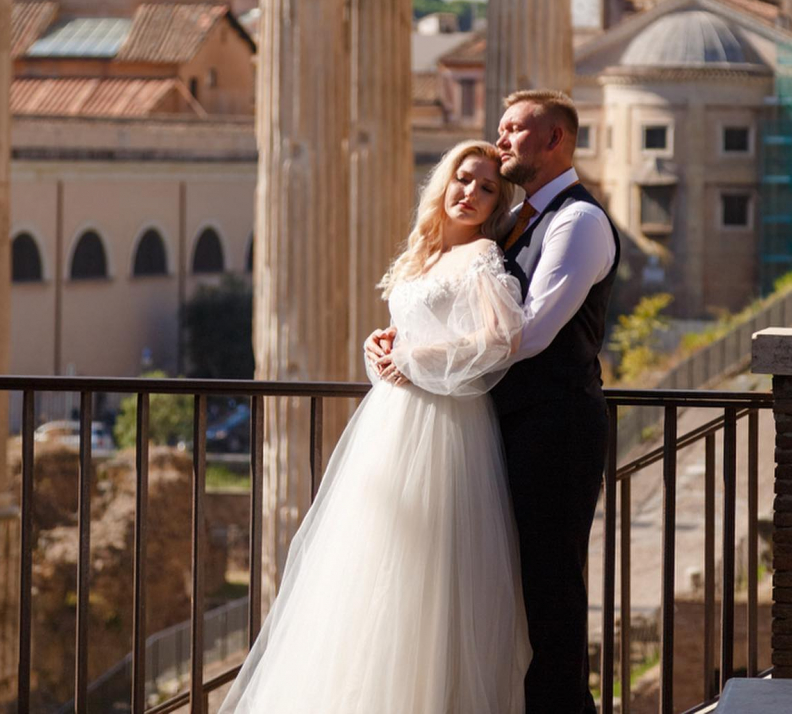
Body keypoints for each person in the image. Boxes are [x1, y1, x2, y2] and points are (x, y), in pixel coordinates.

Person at [220, 140, 532, 714]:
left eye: (488, 188)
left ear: (496, 204)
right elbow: (413, 332)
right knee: (368, 564)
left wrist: (416, 358)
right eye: (464, 179)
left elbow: (502, 338)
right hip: (390, 424)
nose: (471, 193)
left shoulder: (482, 254)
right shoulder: (424, 254)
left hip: (446, 427)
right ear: (445, 181)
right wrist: (382, 344)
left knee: (428, 569)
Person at [371, 89, 620, 714]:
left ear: (554, 139)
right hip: (502, 426)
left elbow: (528, 333)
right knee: (502, 587)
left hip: (557, 430)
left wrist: (416, 361)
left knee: (550, 590)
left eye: (513, 129)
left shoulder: (578, 221)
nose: (501, 137)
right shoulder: (516, 222)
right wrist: (393, 344)